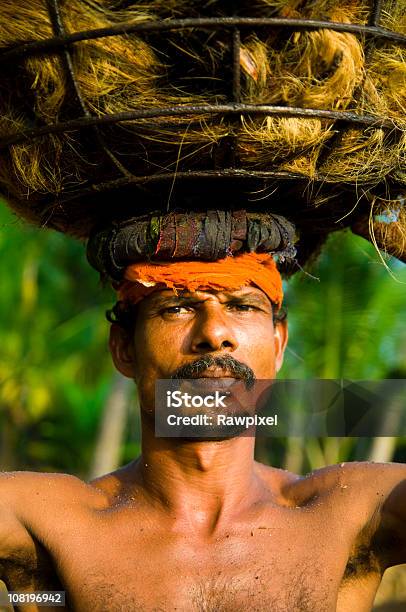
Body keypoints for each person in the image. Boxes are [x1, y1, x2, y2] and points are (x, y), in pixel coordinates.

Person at [0, 243, 405, 612]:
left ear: (279, 345)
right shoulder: (51, 524)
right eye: (177, 307)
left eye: (242, 306)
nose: (214, 333)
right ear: (124, 349)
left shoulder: (344, 515)